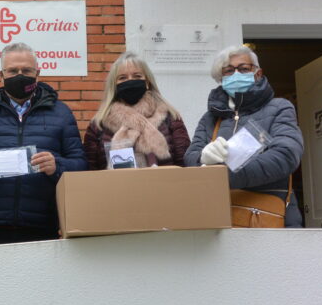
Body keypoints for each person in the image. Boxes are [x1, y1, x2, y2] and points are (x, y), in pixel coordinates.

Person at [0, 43, 87, 245]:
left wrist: (57, 166)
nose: (19, 75)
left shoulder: (61, 113)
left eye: (26, 70)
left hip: (44, 226)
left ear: (38, 73)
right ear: (1, 74)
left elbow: (81, 165)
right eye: (12, 71)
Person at [184, 44, 303, 227]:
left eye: (244, 69)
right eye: (229, 70)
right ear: (221, 78)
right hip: (218, 217)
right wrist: (203, 158)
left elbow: (286, 154)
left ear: (258, 73)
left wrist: (223, 175)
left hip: (266, 215)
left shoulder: (280, 107)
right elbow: (191, 157)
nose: (236, 74)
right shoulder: (210, 118)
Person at [83, 52, 190, 170]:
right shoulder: (99, 124)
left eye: (137, 76)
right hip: (115, 187)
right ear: (114, 85)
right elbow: (90, 171)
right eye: (123, 78)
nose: (130, 81)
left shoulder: (170, 117)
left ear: (147, 82)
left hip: (165, 186)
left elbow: (184, 165)